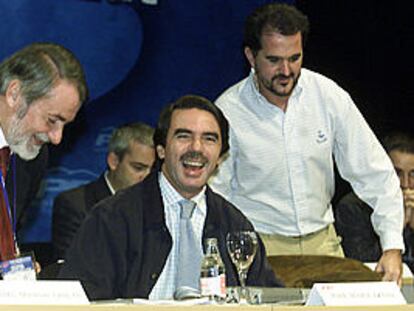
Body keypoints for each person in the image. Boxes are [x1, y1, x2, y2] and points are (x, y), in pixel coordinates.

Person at [208, 3, 404, 284]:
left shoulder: (328, 96)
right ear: (251, 56)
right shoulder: (228, 110)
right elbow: (216, 197)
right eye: (274, 60)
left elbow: (375, 173)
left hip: (323, 243)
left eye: (295, 58)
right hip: (259, 247)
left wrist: (392, 246)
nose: (286, 70)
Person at [58, 95, 281, 300]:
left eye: (209, 139)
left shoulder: (234, 225)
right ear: (161, 150)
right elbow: (81, 300)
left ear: (221, 157)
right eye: (184, 136)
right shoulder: (112, 218)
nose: (196, 148)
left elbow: (269, 297)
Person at [0, 42, 88, 262]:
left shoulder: (33, 159)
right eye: (52, 120)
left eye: (64, 125)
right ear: (14, 94)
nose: (57, 138)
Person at [52, 122, 155, 261]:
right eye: (138, 168)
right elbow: (70, 269)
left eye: (152, 170)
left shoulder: (156, 206)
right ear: (113, 161)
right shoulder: (75, 205)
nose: (146, 177)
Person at [335, 132, 414, 271]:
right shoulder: (353, 207)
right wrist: (395, 227)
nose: (406, 184)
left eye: (413, 174)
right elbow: (361, 266)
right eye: (397, 173)